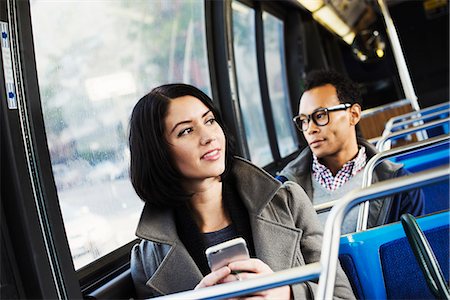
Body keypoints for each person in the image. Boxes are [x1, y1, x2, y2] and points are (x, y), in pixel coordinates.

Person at [128, 83, 355, 299]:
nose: (209, 136)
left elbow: (342, 296)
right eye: (186, 131)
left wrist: (286, 294)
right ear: (157, 152)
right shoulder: (147, 259)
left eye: (209, 121)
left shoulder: (288, 202)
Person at [277, 70, 424, 233]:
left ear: (353, 114)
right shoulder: (284, 189)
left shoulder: (401, 185)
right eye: (304, 121)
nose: (310, 129)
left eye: (320, 116)